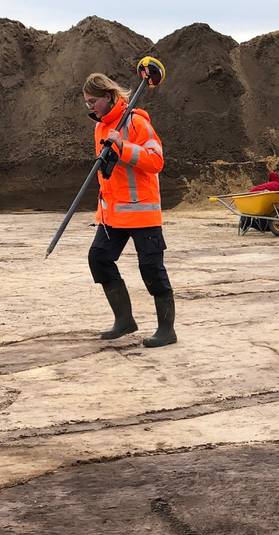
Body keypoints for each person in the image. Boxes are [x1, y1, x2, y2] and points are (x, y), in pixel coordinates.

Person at [82, 72, 176, 347]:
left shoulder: (136, 122)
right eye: (86, 102)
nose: (90, 107)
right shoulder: (100, 128)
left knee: (151, 268)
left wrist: (123, 147)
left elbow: (156, 161)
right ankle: (124, 320)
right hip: (113, 214)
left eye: (93, 101)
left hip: (142, 212)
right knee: (98, 258)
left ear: (109, 97)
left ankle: (166, 330)